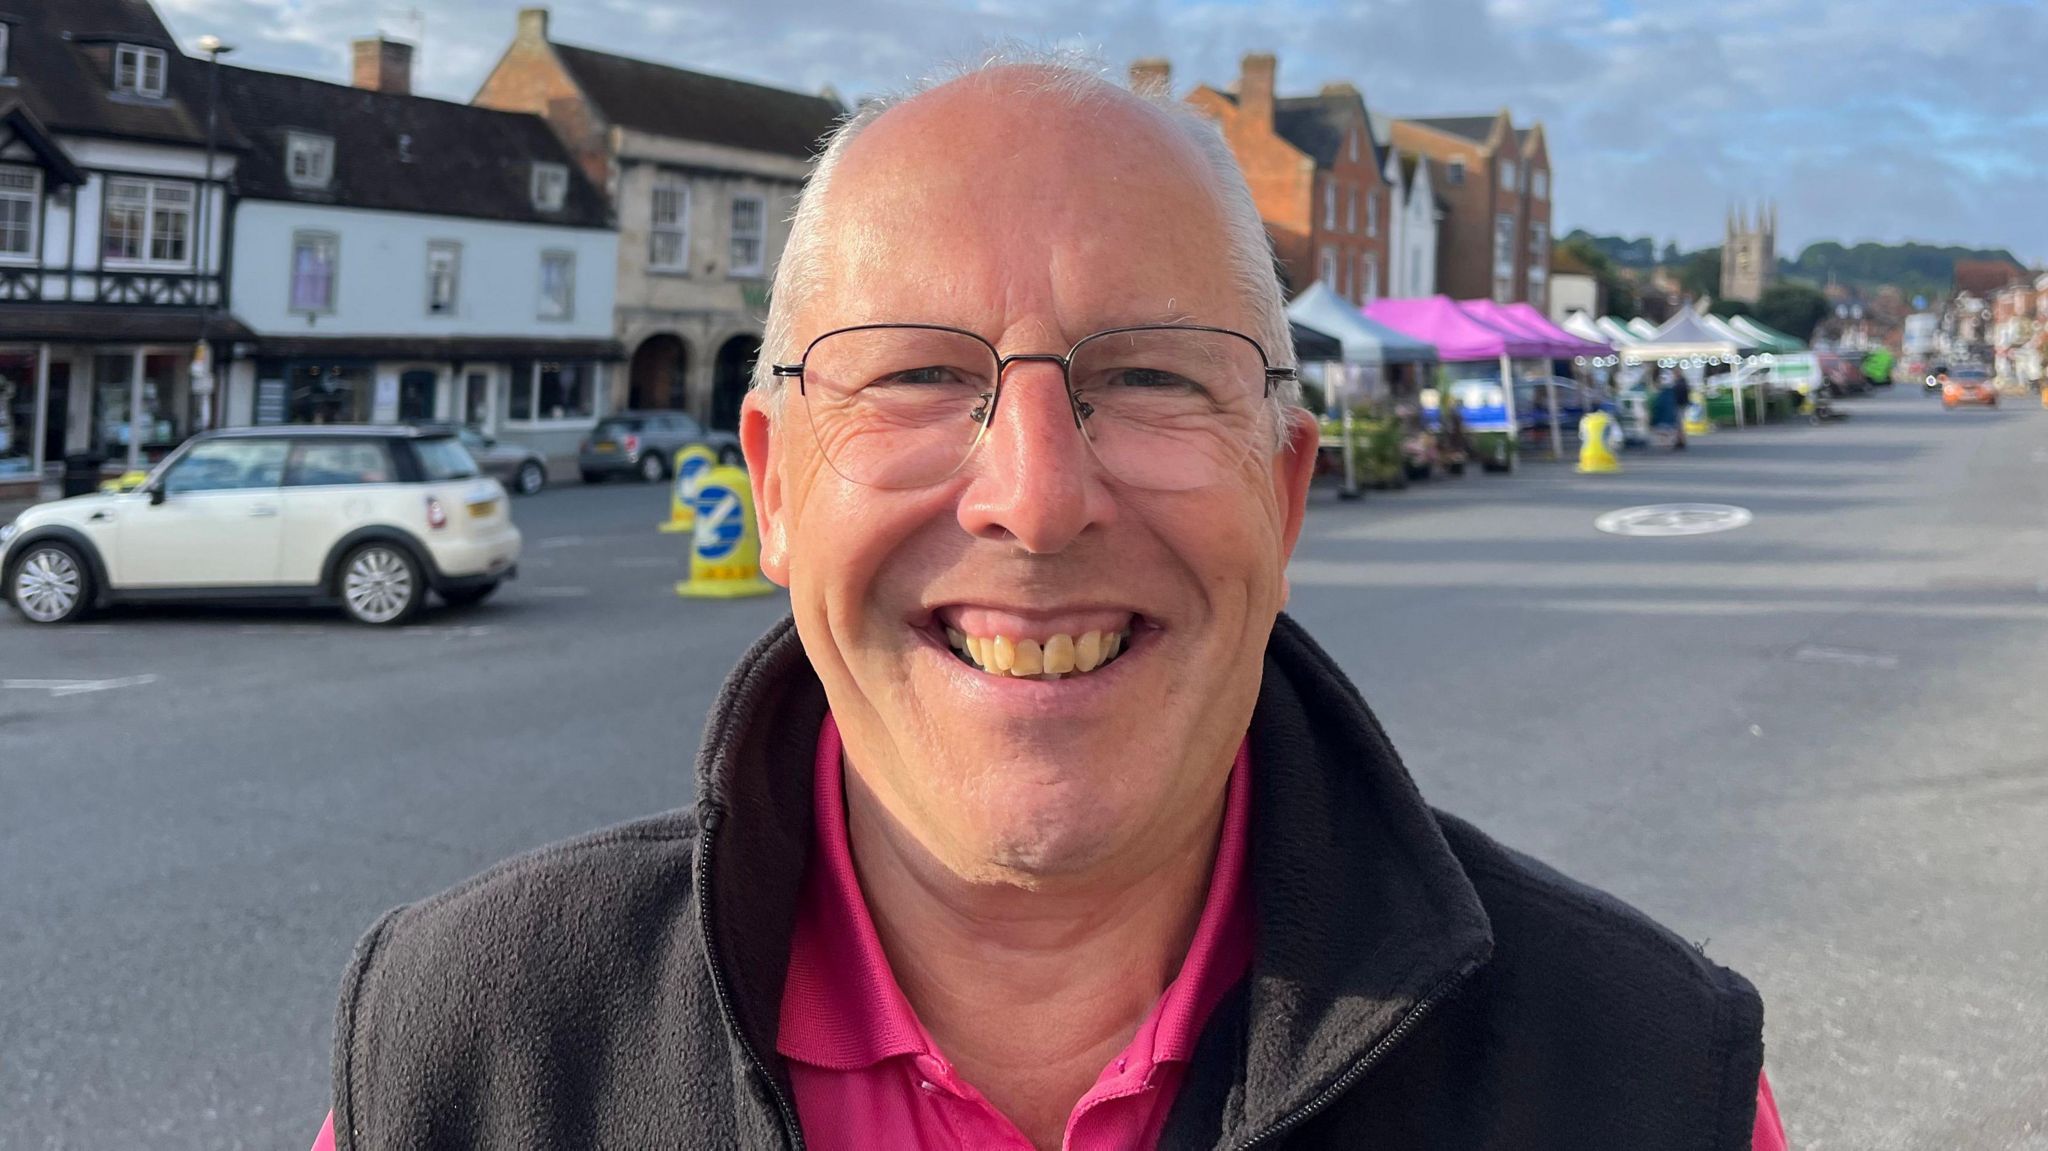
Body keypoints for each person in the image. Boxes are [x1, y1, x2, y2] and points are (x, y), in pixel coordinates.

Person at [308, 56, 1786, 1151]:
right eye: (915, 372)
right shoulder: (475, 1048)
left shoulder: (1641, 1072)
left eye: (1150, 374)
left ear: (1282, 489)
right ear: (772, 483)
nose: (1035, 493)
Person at [1671, 372, 1694, 450]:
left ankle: (1680, 440)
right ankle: (1681, 440)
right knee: (1680, 424)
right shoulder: (1684, 383)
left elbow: (1677, 395)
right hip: (1683, 405)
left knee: (1679, 424)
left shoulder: (1677, 384)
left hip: (1678, 405)